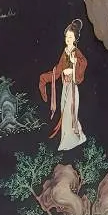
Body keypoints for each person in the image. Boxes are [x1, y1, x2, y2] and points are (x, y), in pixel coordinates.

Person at [39, 19, 87, 151]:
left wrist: (75, 62)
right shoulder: (65, 51)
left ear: (75, 38)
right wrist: (45, 78)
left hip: (72, 86)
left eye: (70, 37)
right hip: (65, 86)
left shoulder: (76, 52)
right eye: (66, 37)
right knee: (64, 111)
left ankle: (74, 139)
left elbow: (84, 62)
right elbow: (59, 69)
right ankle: (69, 140)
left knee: (69, 112)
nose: (68, 39)